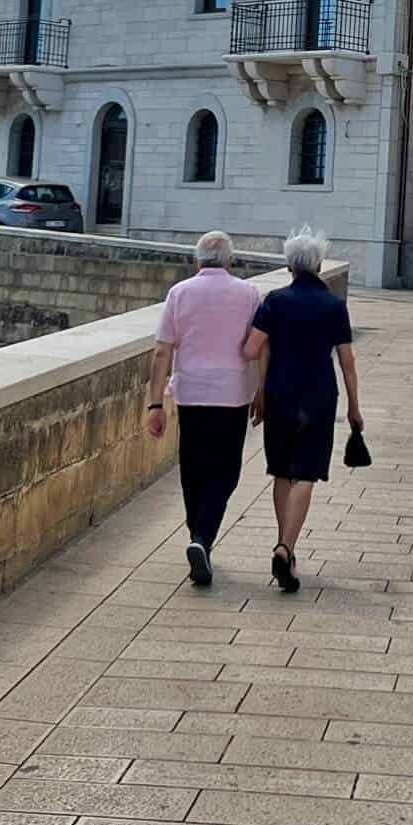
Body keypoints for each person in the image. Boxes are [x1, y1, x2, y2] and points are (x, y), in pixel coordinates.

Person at [247, 228, 362, 594]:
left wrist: (260, 390)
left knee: (281, 471)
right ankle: (287, 548)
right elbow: (347, 362)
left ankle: (286, 546)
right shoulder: (333, 306)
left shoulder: (274, 300)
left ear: (289, 265)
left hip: (279, 392)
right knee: (306, 473)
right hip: (318, 396)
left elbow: (252, 348)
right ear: (318, 265)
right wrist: (355, 408)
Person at [147, 230, 262, 587]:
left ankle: (197, 531)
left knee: (193, 467)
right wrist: (263, 391)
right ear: (231, 261)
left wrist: (154, 403)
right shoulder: (249, 294)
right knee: (225, 471)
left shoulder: (179, 294)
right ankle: (202, 537)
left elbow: (161, 352)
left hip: (191, 393)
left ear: (196, 261)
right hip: (232, 394)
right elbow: (260, 347)